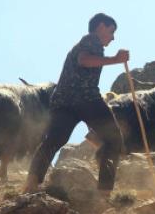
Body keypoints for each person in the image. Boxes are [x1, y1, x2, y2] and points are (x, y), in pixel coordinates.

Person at [23, 13, 128, 197]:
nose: (113, 37)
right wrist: (115, 60)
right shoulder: (91, 40)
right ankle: (104, 195)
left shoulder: (85, 43)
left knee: (54, 139)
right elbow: (84, 60)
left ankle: (31, 184)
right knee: (114, 139)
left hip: (63, 101)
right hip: (86, 98)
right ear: (101, 26)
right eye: (111, 32)